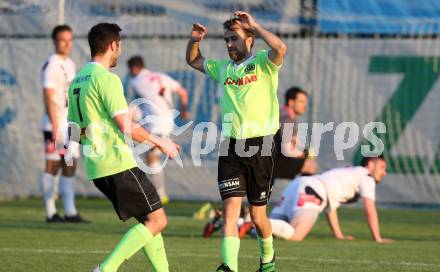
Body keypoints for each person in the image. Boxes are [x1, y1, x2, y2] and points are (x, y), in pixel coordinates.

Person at [66, 23, 179, 272]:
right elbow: (125, 125)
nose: (120, 52)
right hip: (117, 164)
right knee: (158, 220)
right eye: (119, 46)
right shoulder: (106, 78)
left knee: (149, 220)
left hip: (97, 168)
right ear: (112, 45)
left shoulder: (77, 80)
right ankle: (106, 269)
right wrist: (161, 141)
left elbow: (73, 130)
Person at [186, 10, 287, 272]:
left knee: (257, 216)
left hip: (261, 146)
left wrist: (254, 24)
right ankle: (228, 267)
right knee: (230, 210)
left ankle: (268, 259)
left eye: (234, 38)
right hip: (231, 146)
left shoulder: (264, 63)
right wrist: (195, 39)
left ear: (250, 39)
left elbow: (281, 47)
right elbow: (194, 60)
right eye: (226, 40)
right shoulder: (223, 69)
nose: (229, 44)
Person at [268, 156, 394, 243]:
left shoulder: (350, 172)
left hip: (298, 184)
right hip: (312, 190)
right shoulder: (367, 177)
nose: (385, 173)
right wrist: (378, 238)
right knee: (296, 235)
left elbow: (331, 206)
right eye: (382, 167)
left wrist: (338, 235)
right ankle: (256, 221)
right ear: (371, 165)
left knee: (265, 232)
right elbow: (370, 210)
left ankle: (252, 222)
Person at [39, 24, 87, 223]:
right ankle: (51, 212)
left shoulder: (70, 63)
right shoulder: (52, 64)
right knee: (52, 166)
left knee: (70, 166)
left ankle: (70, 211)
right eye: (62, 39)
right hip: (55, 125)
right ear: (54, 41)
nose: (67, 43)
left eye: (69, 39)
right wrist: (55, 125)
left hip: (71, 125)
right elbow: (48, 97)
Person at [127, 56, 189, 204]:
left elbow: (135, 107)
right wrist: (184, 111)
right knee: (151, 156)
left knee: (151, 157)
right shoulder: (161, 76)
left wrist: (131, 118)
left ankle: (159, 194)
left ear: (134, 68)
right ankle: (155, 193)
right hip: (167, 122)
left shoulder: (135, 82)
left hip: (154, 124)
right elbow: (183, 92)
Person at [273, 87, 318, 179]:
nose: (304, 105)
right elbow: (288, 150)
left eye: (305, 102)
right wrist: (303, 154)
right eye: (301, 102)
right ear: (291, 102)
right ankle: (304, 192)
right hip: (270, 161)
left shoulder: (285, 114)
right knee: (311, 165)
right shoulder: (286, 118)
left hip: (269, 158)